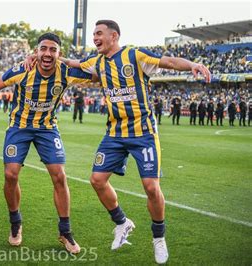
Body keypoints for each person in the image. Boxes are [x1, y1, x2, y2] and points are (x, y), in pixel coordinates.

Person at [58, 20, 210, 264]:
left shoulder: (133, 54)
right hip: (115, 133)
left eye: (98, 33)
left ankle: (158, 238)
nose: (94, 37)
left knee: (151, 187)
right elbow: (74, 64)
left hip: (144, 133)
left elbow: (168, 61)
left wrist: (192, 64)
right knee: (97, 180)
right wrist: (55, 58)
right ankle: (122, 222)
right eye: (93, 34)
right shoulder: (96, 61)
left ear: (114, 36)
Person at [0, 32, 94, 254]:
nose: (47, 53)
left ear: (59, 54)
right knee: (11, 174)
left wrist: (65, 61)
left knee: (59, 175)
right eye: (43, 49)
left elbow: (99, 75)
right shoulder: (22, 70)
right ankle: (15, 223)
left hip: (47, 128)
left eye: (53, 50)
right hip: (20, 127)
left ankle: (65, 231)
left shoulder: (66, 72)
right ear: (36, 51)